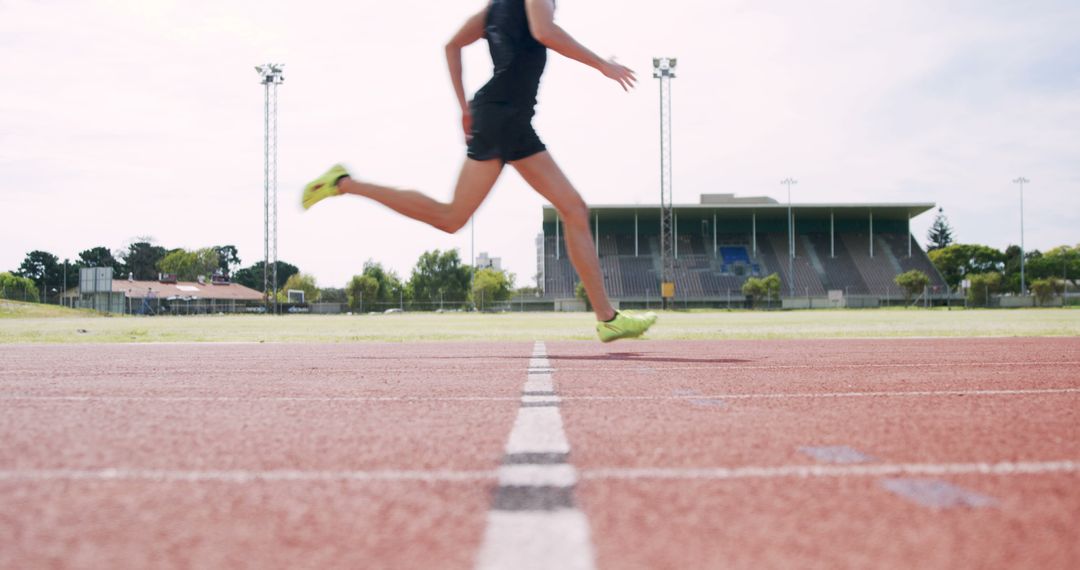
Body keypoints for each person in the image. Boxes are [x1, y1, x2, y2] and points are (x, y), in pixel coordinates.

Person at [301, 0, 656, 342]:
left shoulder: (492, 8)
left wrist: (463, 107)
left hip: (512, 120)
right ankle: (343, 184)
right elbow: (544, 31)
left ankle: (607, 319)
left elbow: (452, 45)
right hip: (502, 117)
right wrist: (601, 65)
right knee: (451, 217)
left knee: (573, 209)